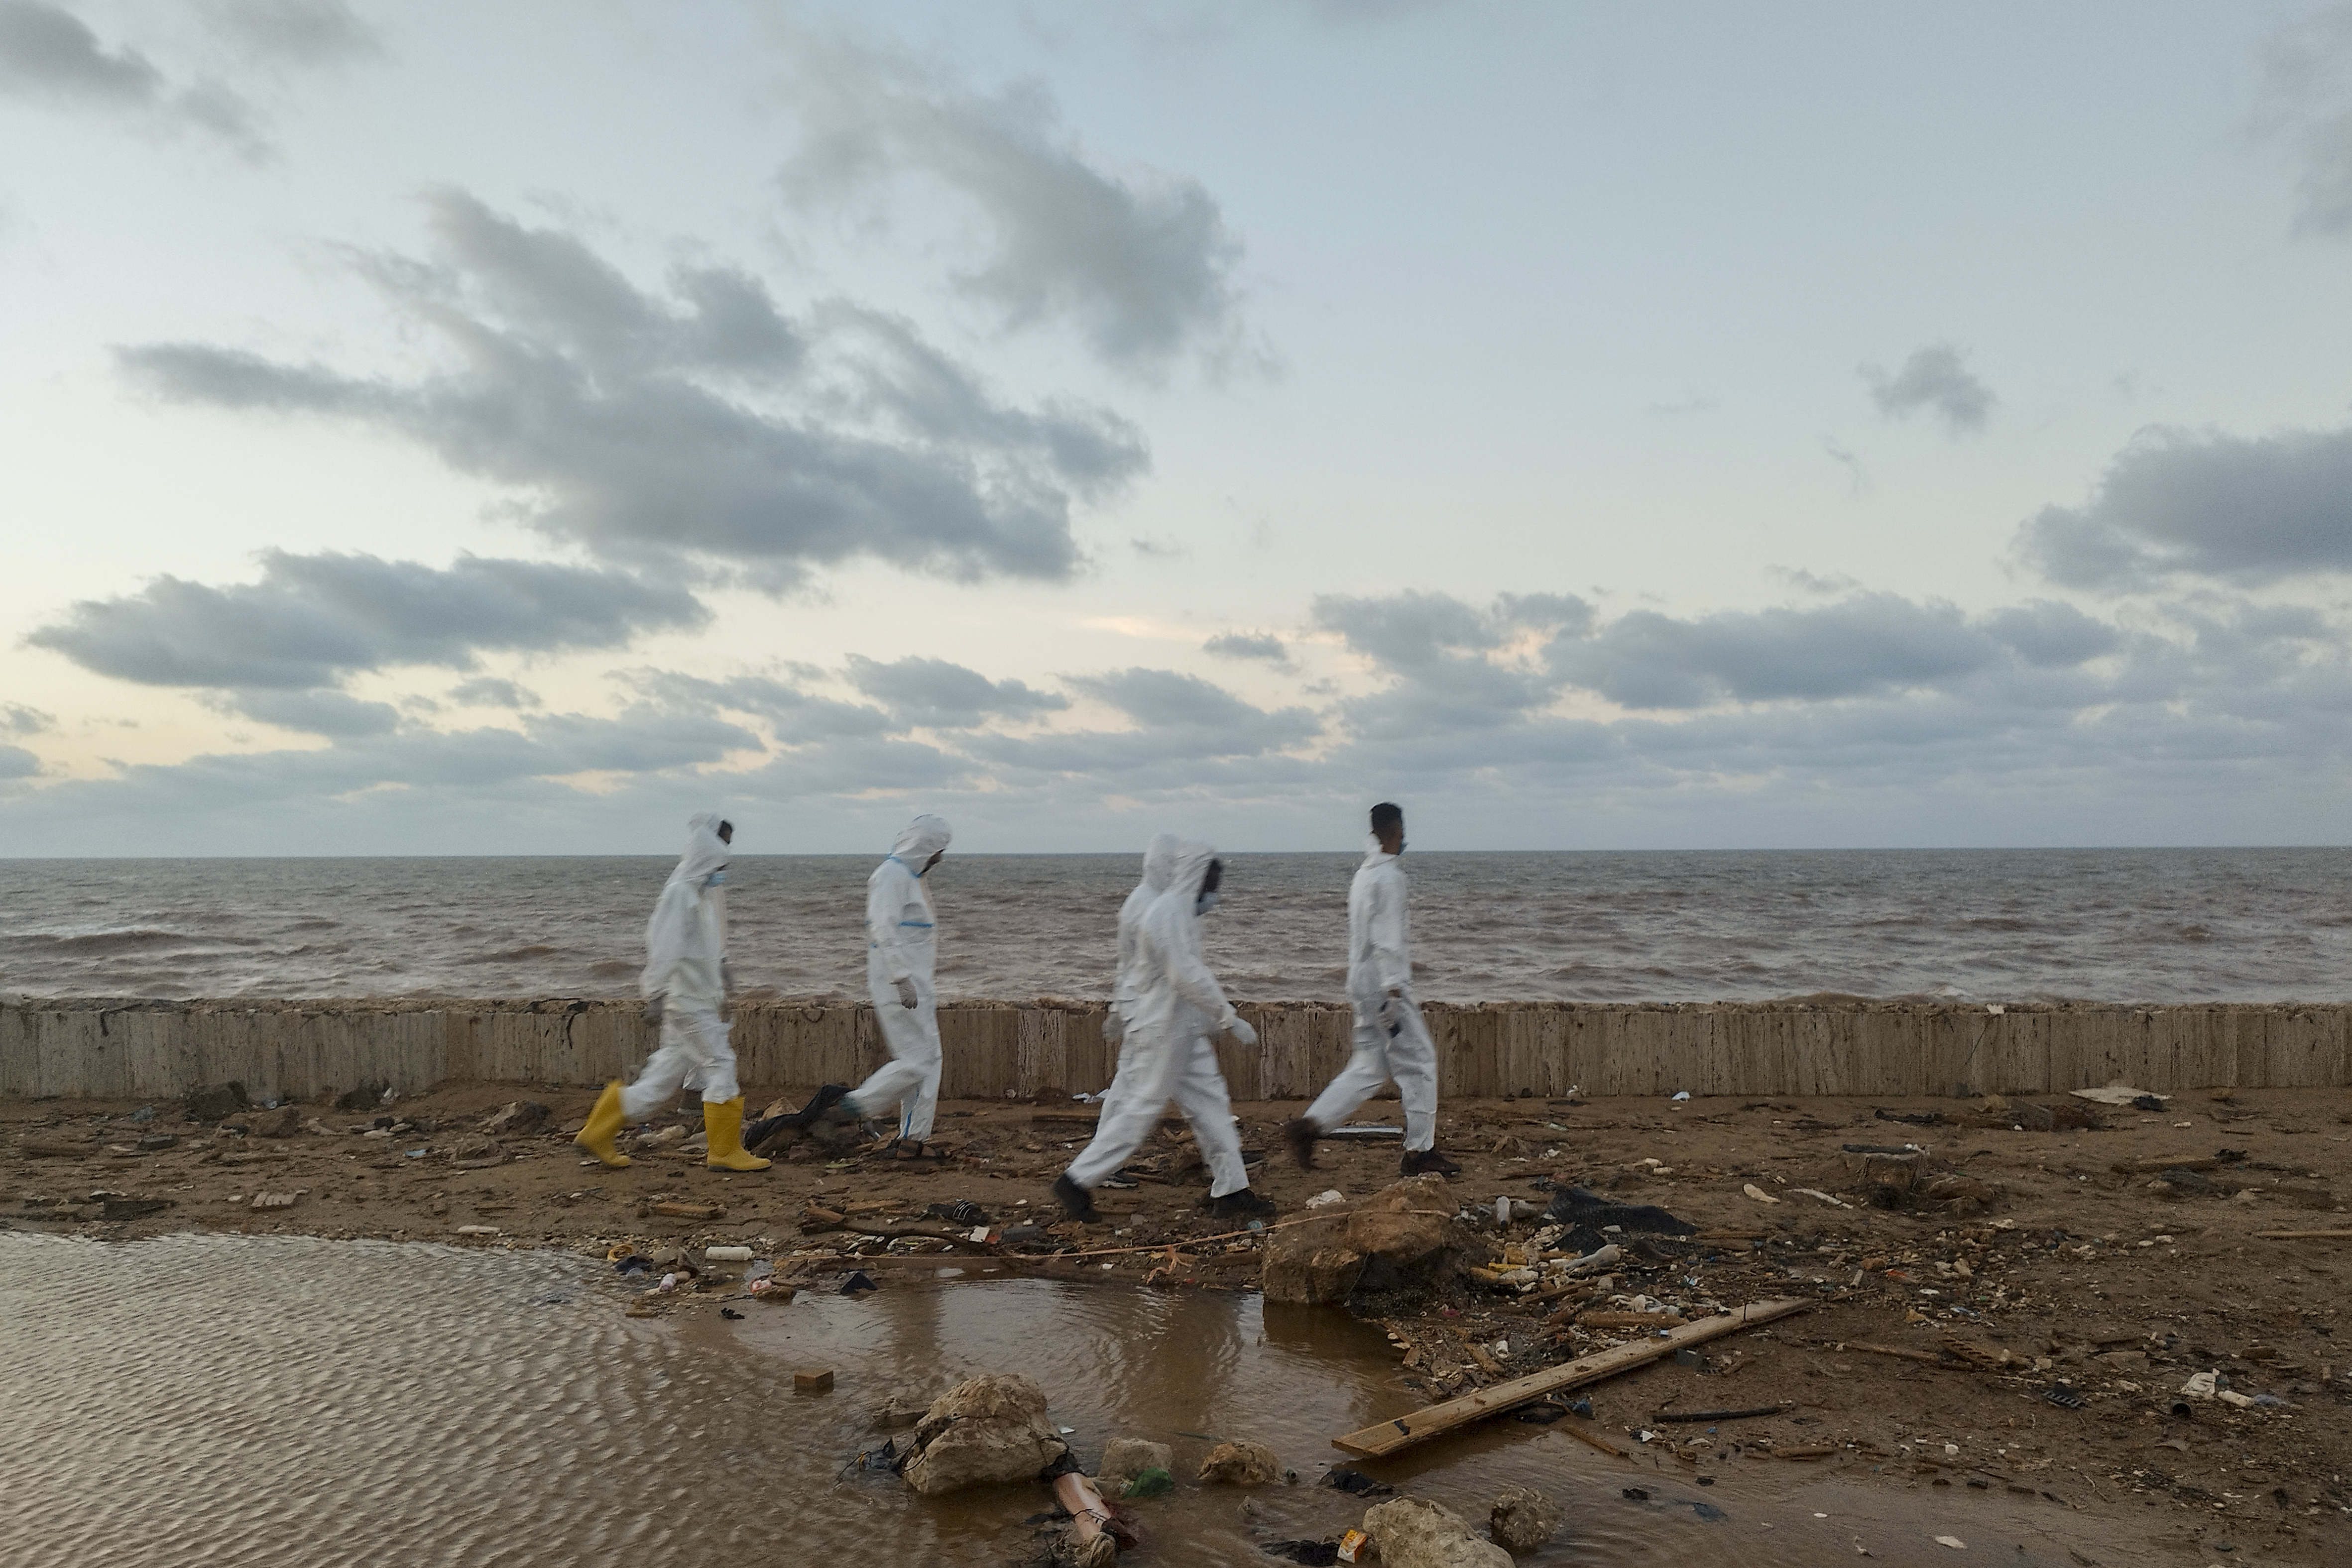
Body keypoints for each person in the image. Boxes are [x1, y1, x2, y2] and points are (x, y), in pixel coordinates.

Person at [1054, 837, 1273, 1222]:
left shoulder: (1179, 912)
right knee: (1141, 1109)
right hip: (1163, 1031)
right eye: (1212, 884)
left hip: (1182, 1029)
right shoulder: (1166, 913)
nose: (1215, 894)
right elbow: (1185, 974)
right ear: (1196, 877)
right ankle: (1077, 1181)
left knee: (1211, 1107)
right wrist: (1227, 1016)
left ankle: (1232, 1189)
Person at [576, 812, 769, 1172]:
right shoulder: (681, 892)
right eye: (721, 857)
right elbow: (664, 946)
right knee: (720, 1064)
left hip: (695, 1000)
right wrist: (656, 993)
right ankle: (725, 1151)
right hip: (688, 1003)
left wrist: (720, 970)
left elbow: (701, 947)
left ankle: (598, 1131)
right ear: (708, 854)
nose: (724, 865)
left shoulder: (698, 892)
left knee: (662, 1078)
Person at [1283, 802, 1459, 1177]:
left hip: (1361, 983)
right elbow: (1388, 939)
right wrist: (1394, 990)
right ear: (1398, 831)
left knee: (1369, 1066)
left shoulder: (1364, 874)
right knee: (1420, 1064)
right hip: (1385, 987)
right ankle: (1419, 1152)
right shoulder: (1390, 877)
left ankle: (1311, 1125)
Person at [793, 814, 954, 1146]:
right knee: (919, 1060)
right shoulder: (891, 876)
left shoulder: (911, 879)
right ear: (924, 847)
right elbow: (882, 928)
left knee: (929, 1060)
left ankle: (913, 1137)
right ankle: (856, 1104)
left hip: (917, 985)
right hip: (899, 985)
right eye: (938, 851)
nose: (940, 859)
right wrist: (901, 977)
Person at [1095, 832, 1180, 1122]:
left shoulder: (1142, 900)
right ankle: (1104, 1146)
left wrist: (1118, 1008)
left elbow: (1127, 965)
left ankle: (1105, 1143)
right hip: (1150, 1012)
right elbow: (1161, 964)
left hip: (1146, 1009)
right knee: (1129, 1085)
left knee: (1130, 1083)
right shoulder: (1150, 905)